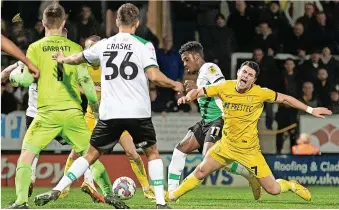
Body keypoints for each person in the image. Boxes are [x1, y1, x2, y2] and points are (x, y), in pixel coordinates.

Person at [35, 3, 183, 209]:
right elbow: (153, 76)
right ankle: (160, 202)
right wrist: (174, 83)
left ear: (116, 21)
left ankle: (58, 188)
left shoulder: (104, 44)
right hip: (137, 112)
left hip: (109, 113)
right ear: (137, 23)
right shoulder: (144, 45)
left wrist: (63, 59)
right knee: (152, 153)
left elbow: (79, 58)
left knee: (89, 155)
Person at [8, 4, 126, 209]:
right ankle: (109, 194)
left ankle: (21, 202)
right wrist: (95, 107)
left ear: (44, 23)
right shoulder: (75, 48)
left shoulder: (35, 48)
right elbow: (87, 83)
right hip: (73, 115)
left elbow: (27, 79)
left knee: (26, 157)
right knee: (89, 157)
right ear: (63, 23)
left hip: (46, 115)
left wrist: (16, 78)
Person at [167, 61, 332, 203]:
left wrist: (311, 109)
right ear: (238, 73)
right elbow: (200, 91)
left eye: (250, 75)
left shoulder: (260, 93)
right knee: (201, 171)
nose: (245, 76)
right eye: (244, 72)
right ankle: (172, 196)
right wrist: (189, 97)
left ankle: (291, 185)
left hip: (250, 151)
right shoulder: (224, 86)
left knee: (273, 189)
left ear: (253, 80)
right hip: (226, 146)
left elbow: (286, 98)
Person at [167, 41, 261, 200]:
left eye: (186, 59)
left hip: (219, 119)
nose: (184, 64)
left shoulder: (210, 68)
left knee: (209, 156)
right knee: (180, 148)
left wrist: (229, 115)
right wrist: (196, 88)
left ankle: (250, 175)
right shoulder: (201, 74)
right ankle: (170, 192)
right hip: (205, 122)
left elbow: (222, 88)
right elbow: (208, 91)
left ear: (196, 56)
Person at [81, 35, 155, 200]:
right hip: (93, 117)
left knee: (132, 152)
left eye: (93, 47)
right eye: (87, 47)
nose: (90, 50)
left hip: (116, 116)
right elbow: (75, 85)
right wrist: (88, 90)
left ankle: (146, 188)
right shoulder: (83, 67)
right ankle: (80, 186)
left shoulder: (111, 64)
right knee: (80, 153)